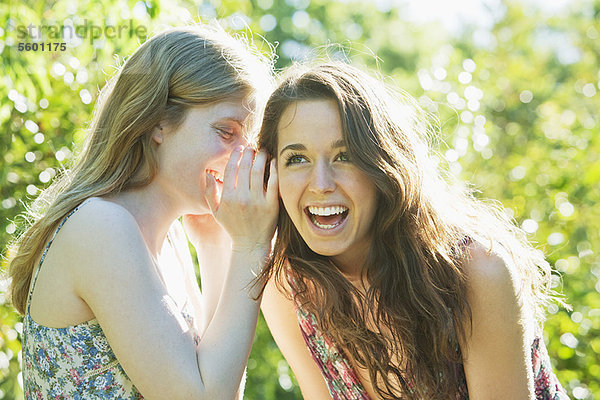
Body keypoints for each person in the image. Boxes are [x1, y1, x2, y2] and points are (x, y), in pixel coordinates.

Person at [258, 63, 569, 399]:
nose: (320, 184)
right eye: (297, 159)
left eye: (345, 155)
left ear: (385, 165)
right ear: (271, 174)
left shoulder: (475, 272)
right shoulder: (287, 289)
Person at [6, 24, 279, 399]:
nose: (243, 158)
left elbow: (220, 384)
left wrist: (220, 243)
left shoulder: (168, 237)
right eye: (227, 132)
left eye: (250, 139)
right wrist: (250, 245)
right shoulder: (101, 226)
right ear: (158, 122)